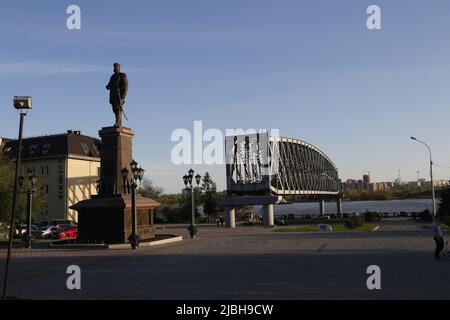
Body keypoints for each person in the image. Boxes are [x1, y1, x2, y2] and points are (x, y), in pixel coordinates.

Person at [106, 63, 128, 127]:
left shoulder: (122, 75)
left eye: (115, 67)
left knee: (118, 108)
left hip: (119, 95)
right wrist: (108, 86)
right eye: (114, 67)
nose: (114, 69)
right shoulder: (112, 76)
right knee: (115, 109)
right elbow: (109, 85)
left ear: (118, 68)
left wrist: (123, 95)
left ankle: (118, 122)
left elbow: (126, 85)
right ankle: (118, 121)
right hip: (113, 95)